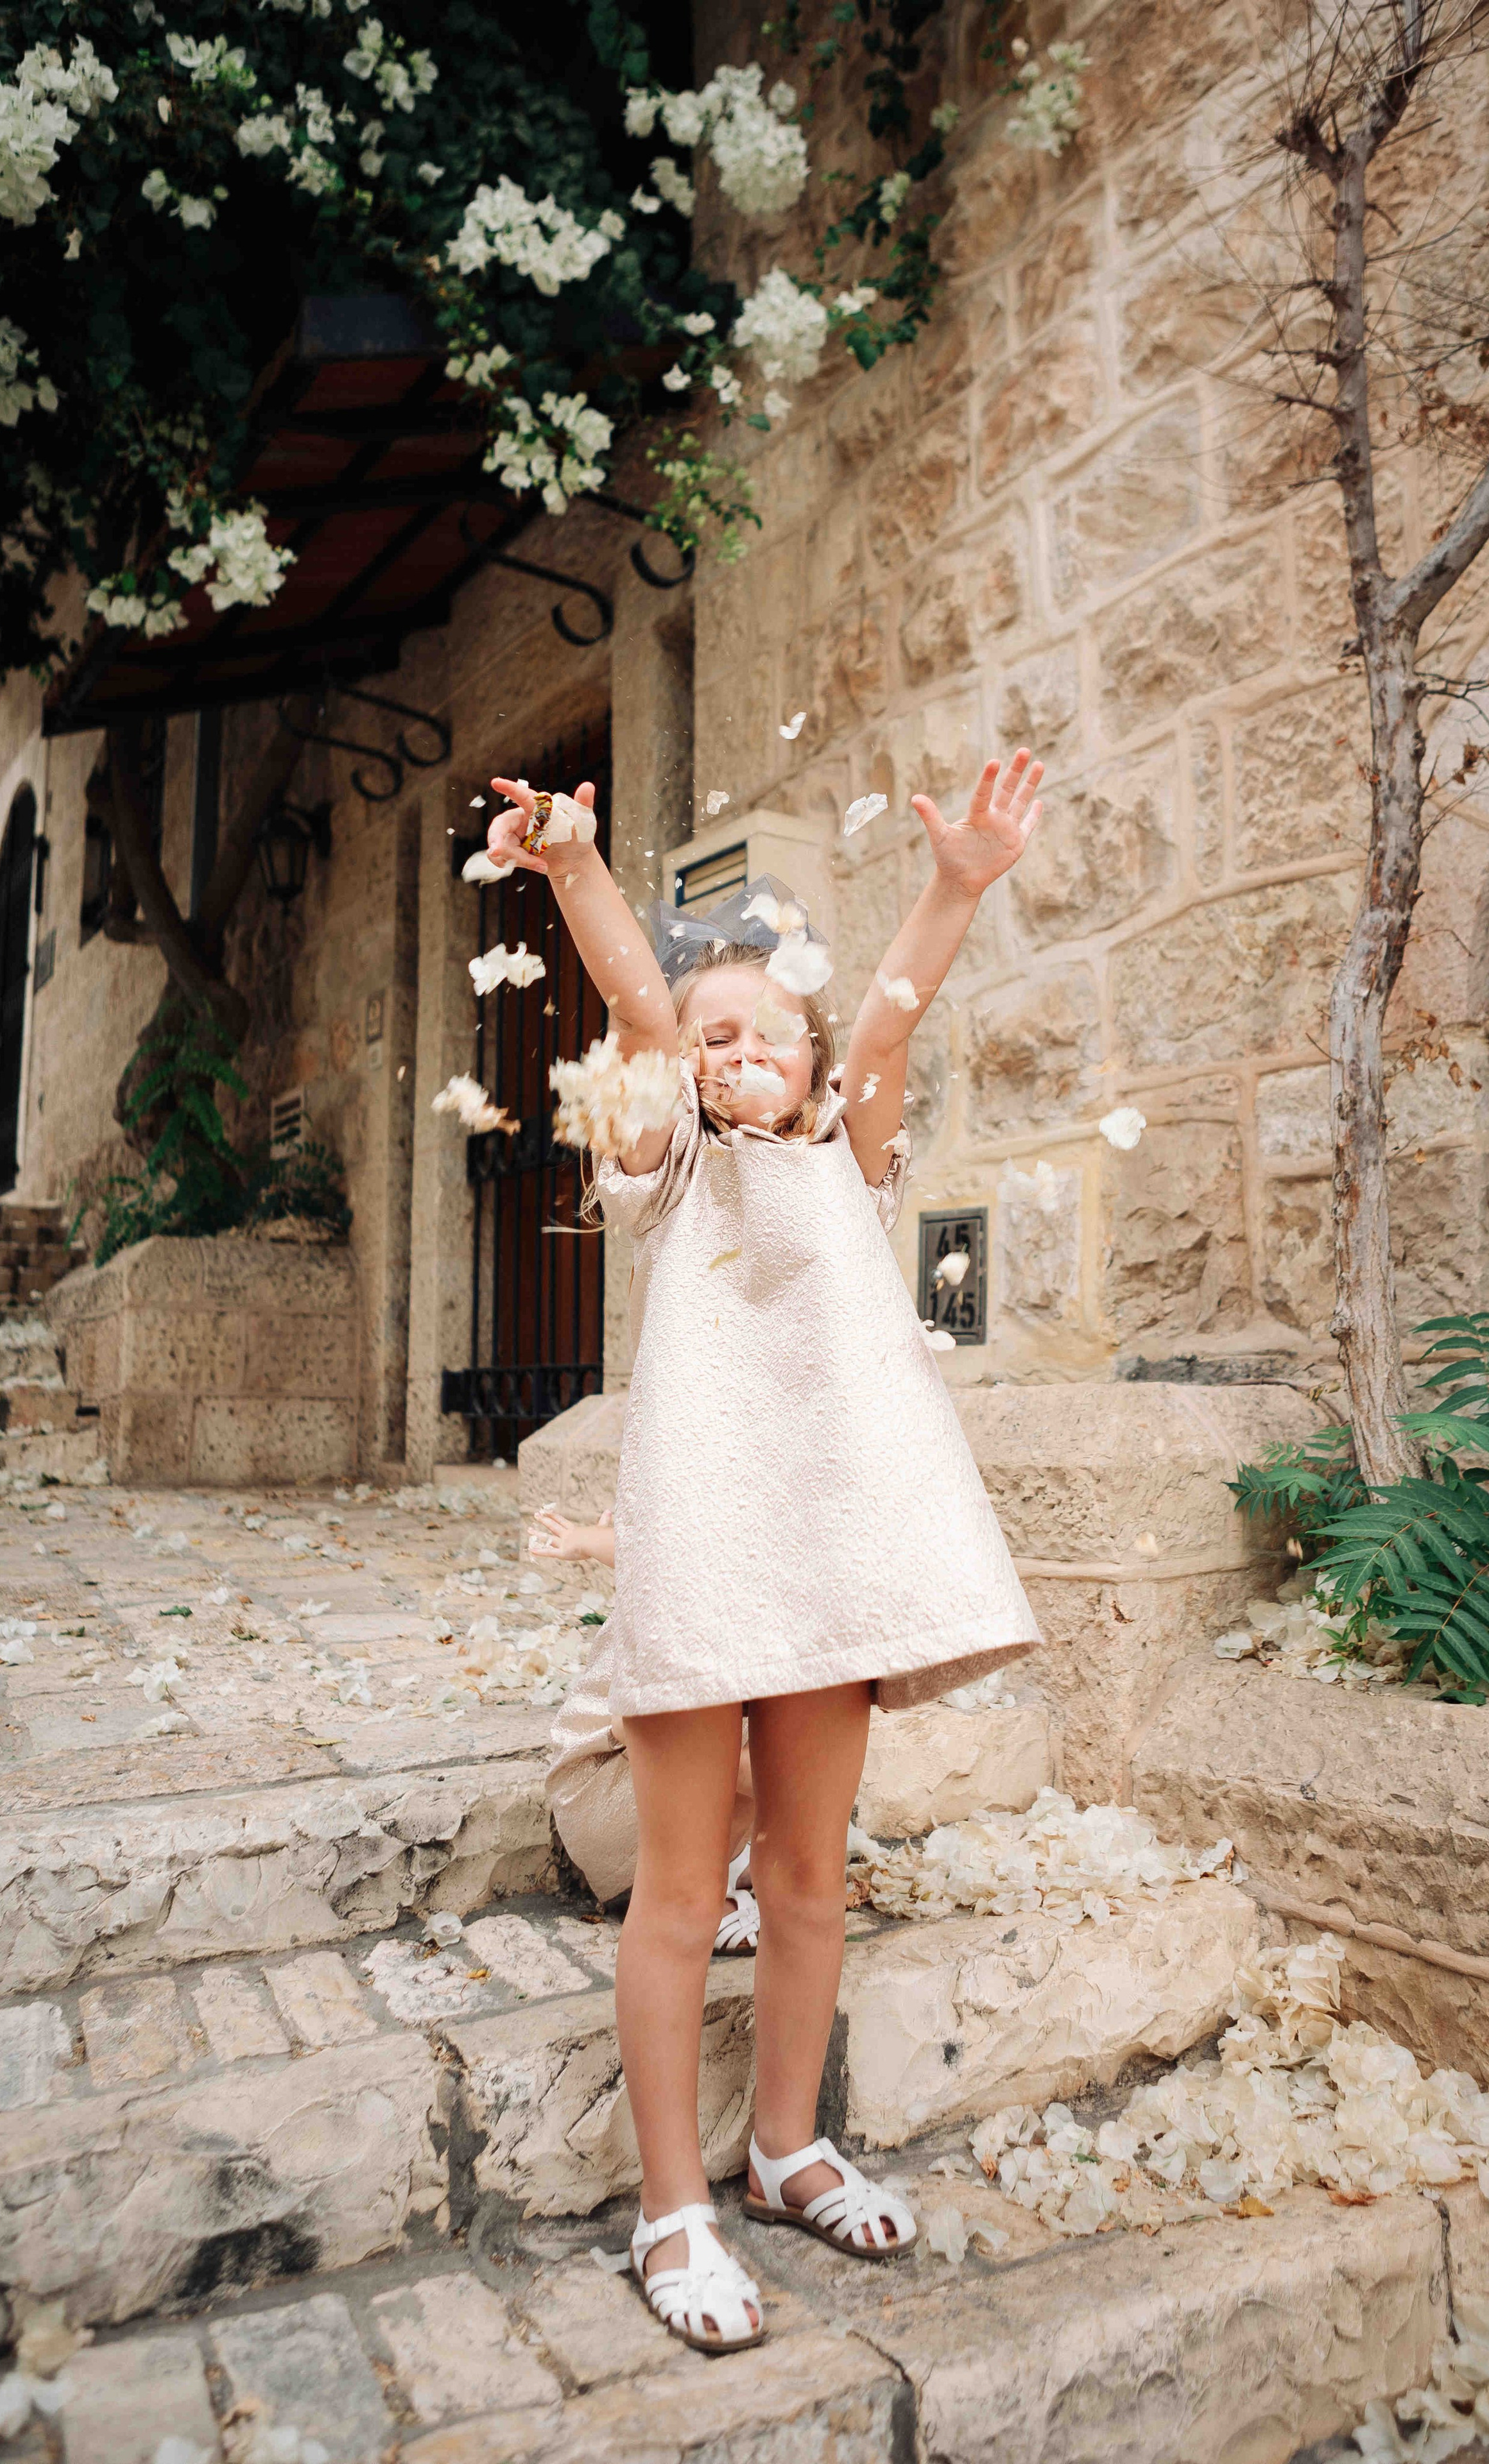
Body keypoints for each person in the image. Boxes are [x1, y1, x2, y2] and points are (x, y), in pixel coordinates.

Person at [484, 749, 1044, 2354]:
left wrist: (951, 884)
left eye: (761, 1031)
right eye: (710, 1032)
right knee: (682, 1890)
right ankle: (673, 2204)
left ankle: (785, 2140)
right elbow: (643, 1017)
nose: (735, 1049)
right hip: (711, 1552)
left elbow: (886, 1020)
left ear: (801, 1064)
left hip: (839, 1559)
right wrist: (581, 871)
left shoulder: (851, 1164)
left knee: (805, 1875)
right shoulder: (668, 1176)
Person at [535, 1506, 758, 1955]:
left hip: (651, 1775)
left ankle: (746, 1870)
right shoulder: (687, 1595)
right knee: (775, 1761)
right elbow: (635, 1727)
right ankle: (703, 1897)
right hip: (608, 1785)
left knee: (784, 1740)